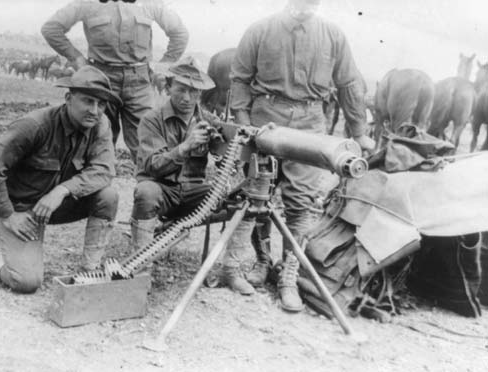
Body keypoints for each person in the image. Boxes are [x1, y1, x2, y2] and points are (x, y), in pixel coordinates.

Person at [230, 0, 375, 312]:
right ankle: (262, 261)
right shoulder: (260, 30)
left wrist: (359, 131)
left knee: (303, 201)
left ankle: (289, 276)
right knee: (259, 195)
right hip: (264, 119)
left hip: (311, 122)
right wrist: (243, 125)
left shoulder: (333, 35)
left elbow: (349, 82)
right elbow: (240, 78)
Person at [0, 66, 120, 294]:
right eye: (88, 101)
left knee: (108, 196)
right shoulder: (34, 125)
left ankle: (90, 270)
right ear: (68, 98)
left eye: (101, 104)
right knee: (25, 281)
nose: (95, 110)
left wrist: (62, 191)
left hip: (55, 204)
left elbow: (104, 169)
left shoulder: (100, 124)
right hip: (22, 210)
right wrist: (9, 214)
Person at [131, 56, 255, 295]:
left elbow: (233, 143)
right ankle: (140, 270)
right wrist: (184, 148)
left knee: (245, 200)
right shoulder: (152, 120)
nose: (187, 98)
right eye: (181, 90)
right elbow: (152, 166)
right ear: (168, 87)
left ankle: (231, 270)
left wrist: (245, 138)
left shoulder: (208, 119)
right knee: (145, 192)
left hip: (193, 194)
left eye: (194, 92)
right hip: (162, 190)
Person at [41, 0, 189, 162]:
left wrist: (163, 65)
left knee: (147, 143)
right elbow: (51, 28)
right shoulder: (88, 3)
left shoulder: (150, 3)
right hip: (101, 82)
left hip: (139, 83)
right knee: (96, 141)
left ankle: (148, 186)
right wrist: (76, 58)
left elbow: (180, 34)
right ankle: (96, 184)